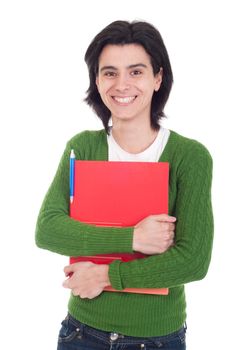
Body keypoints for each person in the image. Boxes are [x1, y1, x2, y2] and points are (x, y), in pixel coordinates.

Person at [35, 20, 214, 350]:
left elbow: (192, 260)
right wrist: (133, 237)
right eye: (109, 72)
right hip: (81, 333)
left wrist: (105, 276)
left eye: (135, 72)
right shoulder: (83, 147)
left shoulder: (189, 157)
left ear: (157, 78)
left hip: (158, 339)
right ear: (97, 81)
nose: (121, 84)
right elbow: (48, 229)